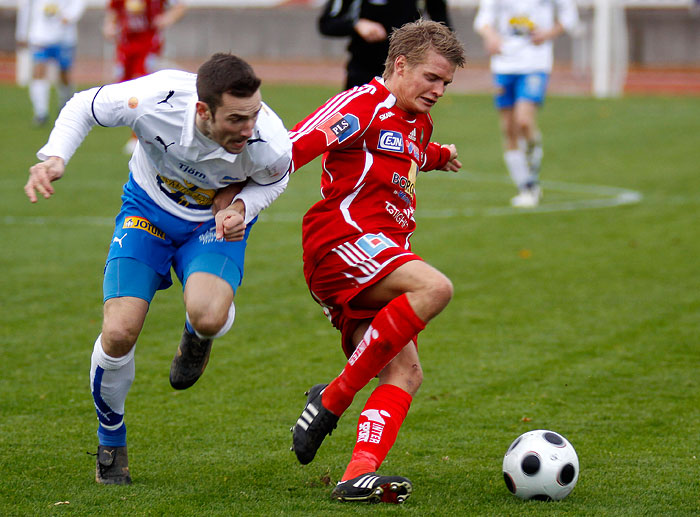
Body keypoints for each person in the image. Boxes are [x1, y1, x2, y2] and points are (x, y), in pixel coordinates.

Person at [23, 53, 292, 485]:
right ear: (203, 111)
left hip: (210, 225)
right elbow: (82, 105)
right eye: (237, 119)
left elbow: (278, 176)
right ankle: (111, 438)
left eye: (255, 115)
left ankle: (199, 333)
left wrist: (243, 204)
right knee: (118, 332)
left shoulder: (270, 139)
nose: (249, 128)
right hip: (146, 211)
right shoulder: (153, 99)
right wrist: (56, 156)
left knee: (209, 314)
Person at [288, 20, 465, 504]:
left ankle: (356, 473)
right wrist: (236, 200)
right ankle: (333, 399)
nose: (439, 90)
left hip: (377, 257)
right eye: (431, 77)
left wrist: (438, 155)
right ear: (400, 65)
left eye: (446, 83)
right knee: (435, 288)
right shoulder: (360, 103)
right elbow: (292, 147)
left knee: (406, 373)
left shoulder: (416, 121)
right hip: (342, 242)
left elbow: (404, 148)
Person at [474, 0, 579, 208]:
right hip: (504, 64)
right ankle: (527, 187)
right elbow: (483, 20)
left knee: (524, 121)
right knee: (509, 129)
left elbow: (569, 16)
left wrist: (548, 33)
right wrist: (491, 36)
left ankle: (532, 174)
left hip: (534, 63)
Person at [103, 0, 186, 152]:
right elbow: (113, 11)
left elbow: (179, 6)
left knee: (143, 88)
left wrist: (167, 18)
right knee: (122, 88)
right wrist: (109, 26)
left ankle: (138, 136)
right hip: (126, 44)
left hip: (148, 44)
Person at [318, 0, 452, 90]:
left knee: (402, 129)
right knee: (357, 125)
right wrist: (356, 24)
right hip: (363, 70)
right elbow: (327, 23)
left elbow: (443, 25)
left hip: (406, 70)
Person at [15, 0, 86, 126]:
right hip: (40, 36)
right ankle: (40, 112)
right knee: (39, 70)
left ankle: (65, 106)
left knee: (64, 74)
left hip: (65, 36)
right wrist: (21, 33)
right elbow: (26, 7)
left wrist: (69, 16)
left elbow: (78, 3)